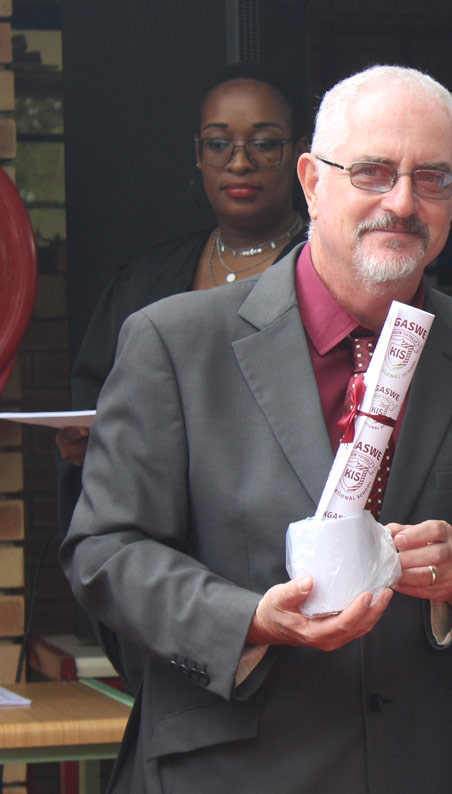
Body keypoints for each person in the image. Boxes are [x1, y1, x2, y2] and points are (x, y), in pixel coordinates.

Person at [60, 64, 452, 794]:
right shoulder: (175, 341)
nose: (401, 201)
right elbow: (104, 550)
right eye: (371, 171)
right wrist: (246, 621)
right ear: (311, 180)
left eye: (431, 178)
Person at [56, 62, 309, 694]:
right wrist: (92, 446)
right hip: (165, 575)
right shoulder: (146, 282)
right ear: (198, 155)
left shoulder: (327, 280)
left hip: (279, 570)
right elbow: (98, 400)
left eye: (264, 142)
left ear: (302, 156)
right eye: (219, 143)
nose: (239, 161)